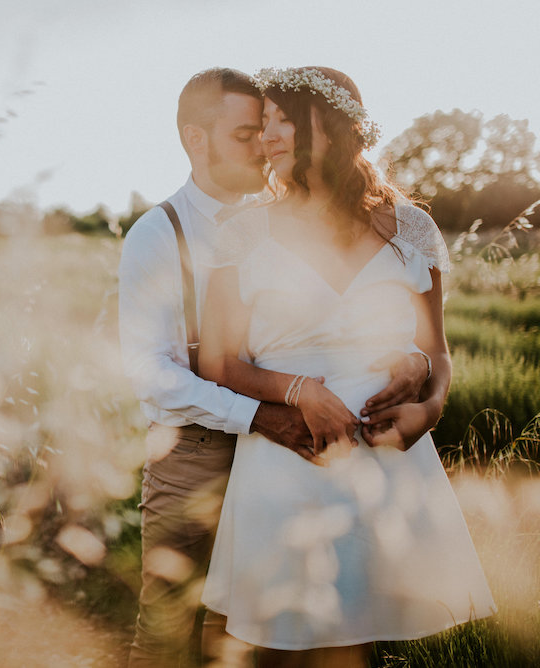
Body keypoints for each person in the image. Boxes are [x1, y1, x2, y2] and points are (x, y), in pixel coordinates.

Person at [117, 68, 431, 668]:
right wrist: (260, 414)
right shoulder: (157, 235)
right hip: (195, 456)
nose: (263, 145)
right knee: (166, 631)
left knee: (259, 631)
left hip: (286, 455)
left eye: (266, 129)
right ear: (195, 139)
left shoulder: (290, 217)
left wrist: (407, 359)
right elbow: (147, 370)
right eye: (245, 134)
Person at [196, 67, 496, 667]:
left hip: (387, 464)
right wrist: (299, 390)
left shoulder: (411, 228)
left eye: (284, 119)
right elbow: (218, 360)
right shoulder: (242, 233)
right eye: (264, 121)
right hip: (290, 456)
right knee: (264, 637)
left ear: (332, 126)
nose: (267, 135)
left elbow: (435, 351)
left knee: (359, 638)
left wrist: (428, 413)